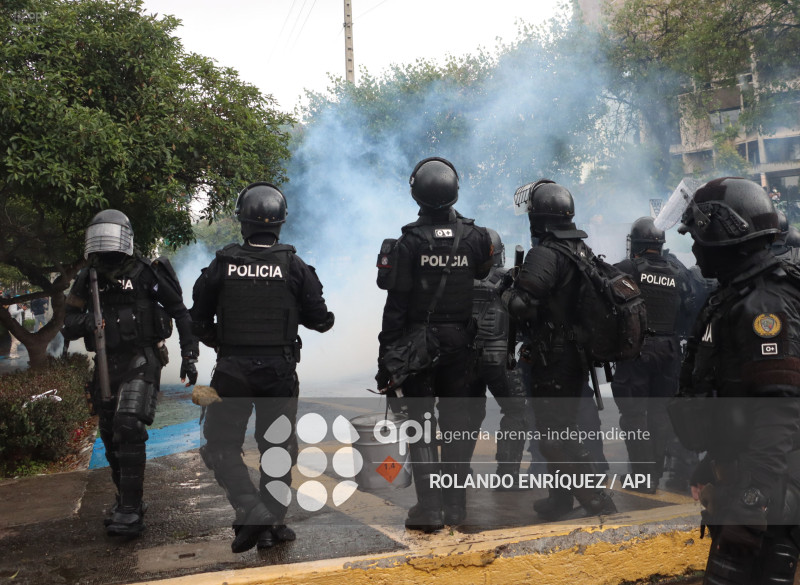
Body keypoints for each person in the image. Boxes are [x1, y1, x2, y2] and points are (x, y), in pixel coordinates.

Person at [191, 182, 334, 554]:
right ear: (281, 223)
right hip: (279, 372)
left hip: (231, 371)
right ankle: (269, 522)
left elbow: (199, 320)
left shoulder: (222, 264)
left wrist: (224, 344)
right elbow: (321, 320)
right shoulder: (294, 265)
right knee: (278, 448)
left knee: (220, 446)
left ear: (242, 221)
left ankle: (255, 513)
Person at [674, 176, 800, 584]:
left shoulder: (765, 305)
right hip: (749, 480)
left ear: (726, 236)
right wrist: (714, 461)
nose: (693, 247)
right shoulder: (733, 295)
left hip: (770, 494)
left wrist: (751, 501)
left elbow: (778, 412)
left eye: (698, 236)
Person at [62, 209, 198, 537]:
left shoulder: (146, 274)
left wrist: (189, 357)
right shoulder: (87, 276)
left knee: (129, 424)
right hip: (107, 365)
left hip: (142, 359)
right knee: (110, 435)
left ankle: (131, 509)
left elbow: (180, 313)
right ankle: (124, 497)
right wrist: (89, 324)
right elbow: (67, 323)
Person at [375, 157, 493, 531]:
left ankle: (431, 510)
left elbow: (395, 306)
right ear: (455, 190)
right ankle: (455, 508)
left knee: (419, 426)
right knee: (459, 426)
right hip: (461, 343)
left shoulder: (408, 243)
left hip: (418, 346)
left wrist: (386, 358)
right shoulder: (477, 238)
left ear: (416, 194)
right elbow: (482, 272)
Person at [503, 179, 617, 521]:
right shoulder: (581, 249)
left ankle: (598, 501)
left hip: (554, 357)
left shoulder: (547, 253)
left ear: (538, 218)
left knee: (555, 435)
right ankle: (559, 499)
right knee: (560, 427)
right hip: (573, 354)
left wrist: (505, 290)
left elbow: (522, 306)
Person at [611, 217, 692, 493]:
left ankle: (643, 477)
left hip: (638, 349)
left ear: (636, 243)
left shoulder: (627, 268)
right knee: (660, 414)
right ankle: (654, 474)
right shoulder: (677, 271)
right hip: (669, 350)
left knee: (634, 416)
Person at [470, 228, 527, 484]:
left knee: (464, 415)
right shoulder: (510, 278)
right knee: (516, 411)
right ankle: (508, 476)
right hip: (498, 357)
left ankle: (456, 474)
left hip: (464, 359)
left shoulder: (458, 279)